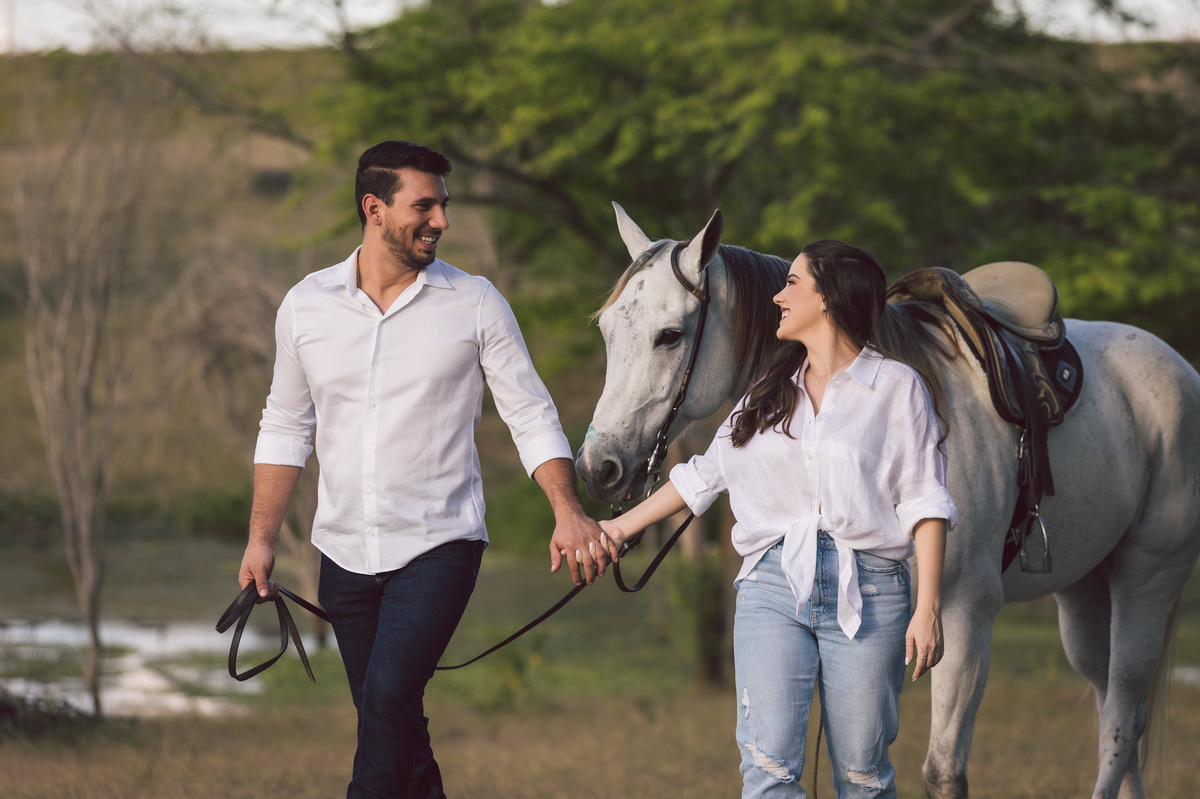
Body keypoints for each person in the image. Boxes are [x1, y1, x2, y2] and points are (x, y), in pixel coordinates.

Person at [238, 140, 609, 799]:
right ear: (373, 208)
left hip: (440, 544)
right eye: (425, 205)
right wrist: (261, 536)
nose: (441, 220)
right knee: (392, 722)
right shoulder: (306, 305)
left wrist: (567, 508)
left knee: (386, 697)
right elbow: (286, 424)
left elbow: (529, 412)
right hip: (344, 553)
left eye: (444, 205)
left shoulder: (475, 302)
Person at [599, 239, 956, 798]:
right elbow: (703, 476)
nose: (776, 295)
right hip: (770, 587)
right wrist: (617, 529)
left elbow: (925, 502)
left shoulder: (896, 388)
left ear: (831, 298)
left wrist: (928, 607)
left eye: (792, 283)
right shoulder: (766, 392)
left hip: (869, 590)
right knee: (768, 771)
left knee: (863, 777)